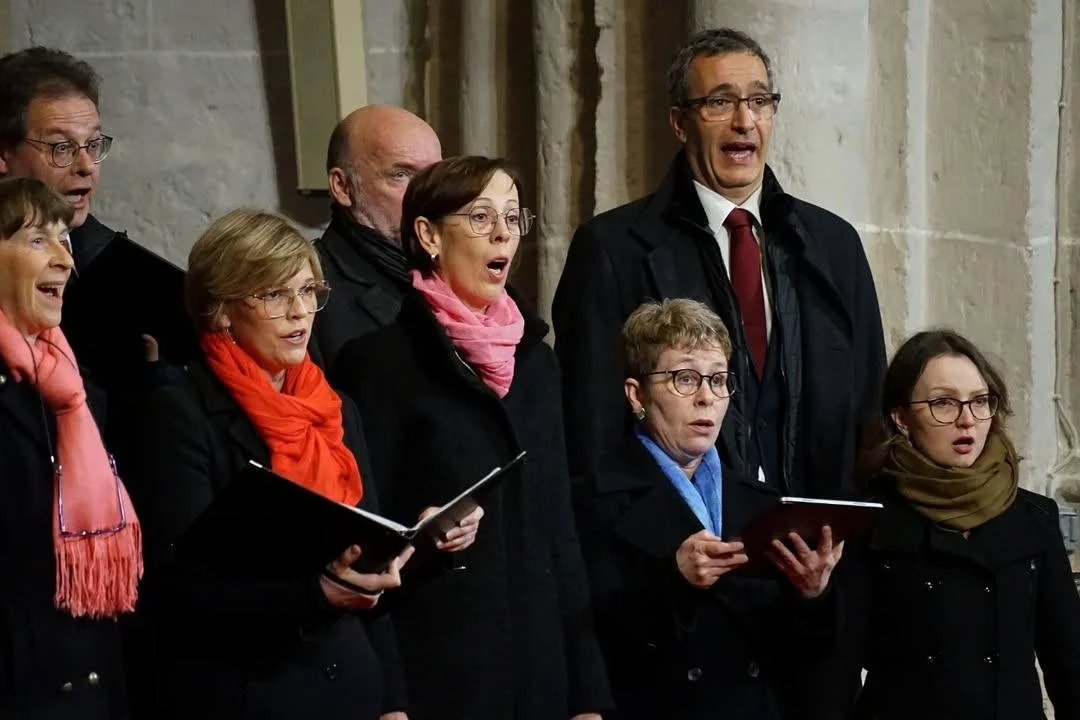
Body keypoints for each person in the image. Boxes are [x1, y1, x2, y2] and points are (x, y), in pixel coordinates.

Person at [331, 156, 612, 719]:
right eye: (481, 217)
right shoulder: (378, 365)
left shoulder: (536, 364)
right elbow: (364, 533)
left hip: (540, 669)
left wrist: (589, 694)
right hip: (441, 663)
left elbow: (561, 528)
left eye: (512, 216)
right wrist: (390, 699)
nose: (503, 233)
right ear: (428, 235)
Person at [552, 28, 886, 497]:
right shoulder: (611, 250)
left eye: (759, 101)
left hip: (818, 534)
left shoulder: (834, 246)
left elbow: (871, 413)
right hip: (682, 532)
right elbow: (590, 433)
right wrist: (667, 534)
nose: (744, 121)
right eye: (720, 102)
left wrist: (851, 528)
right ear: (679, 122)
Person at [122, 209, 424, 719]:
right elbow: (177, 590)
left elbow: (367, 556)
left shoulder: (335, 408)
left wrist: (393, 701)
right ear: (221, 309)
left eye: (307, 291)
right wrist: (317, 595)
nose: (300, 312)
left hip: (352, 687)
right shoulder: (178, 412)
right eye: (274, 295)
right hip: (250, 693)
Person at [573, 298, 844, 719]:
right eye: (685, 378)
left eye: (718, 380)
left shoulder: (762, 502)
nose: (706, 398)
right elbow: (586, 645)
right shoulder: (593, 500)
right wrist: (674, 581)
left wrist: (812, 595)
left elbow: (802, 660)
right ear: (636, 394)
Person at [842, 329, 1080, 719]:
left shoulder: (1034, 517)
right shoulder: (869, 519)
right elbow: (836, 663)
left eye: (980, 401)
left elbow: (1069, 661)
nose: (967, 420)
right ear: (901, 418)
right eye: (944, 403)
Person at [0, 177, 142, 718]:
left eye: (64, 240)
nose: (65, 259)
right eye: (38, 240)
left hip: (92, 686)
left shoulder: (77, 394)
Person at [0, 47, 193, 399]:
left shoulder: (153, 288)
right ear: (3, 154)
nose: (86, 166)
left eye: (92, 144)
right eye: (61, 147)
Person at [310, 104, 442, 369]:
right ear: (343, 187)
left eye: (434, 177)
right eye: (401, 174)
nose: (427, 194)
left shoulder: (457, 271)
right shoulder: (308, 292)